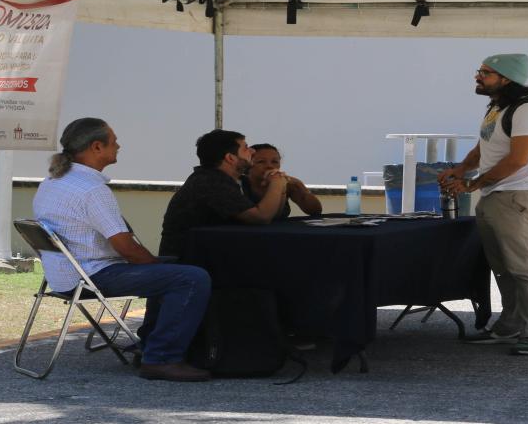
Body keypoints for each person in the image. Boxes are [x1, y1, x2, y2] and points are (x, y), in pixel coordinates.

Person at [33, 117, 212, 381]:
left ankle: (151, 343)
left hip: (63, 276)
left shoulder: (52, 182)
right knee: (191, 277)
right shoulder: (91, 190)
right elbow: (127, 249)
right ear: (96, 147)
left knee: (172, 268)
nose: (119, 146)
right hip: (92, 275)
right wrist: (159, 266)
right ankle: (161, 358)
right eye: (113, 141)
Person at [438, 54, 528, 355]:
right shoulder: (498, 108)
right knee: (503, 268)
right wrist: (461, 170)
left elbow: (518, 159)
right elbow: (484, 146)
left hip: (519, 197)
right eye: (480, 71)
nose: (478, 77)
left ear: (507, 78)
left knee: (523, 267)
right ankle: (510, 326)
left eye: (485, 73)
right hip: (495, 196)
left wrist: (473, 184)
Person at [159, 129, 289, 257]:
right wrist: (276, 182)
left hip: (214, 254)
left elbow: (274, 217)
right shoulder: (210, 182)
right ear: (230, 158)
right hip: (187, 262)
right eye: (246, 148)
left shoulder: (226, 180)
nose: (252, 151)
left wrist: (281, 186)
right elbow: (261, 217)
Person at [243, 143, 323, 218]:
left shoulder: (287, 184)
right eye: (261, 162)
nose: (269, 166)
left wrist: (299, 184)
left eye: (275, 162)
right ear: (248, 164)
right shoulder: (238, 184)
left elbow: (315, 211)